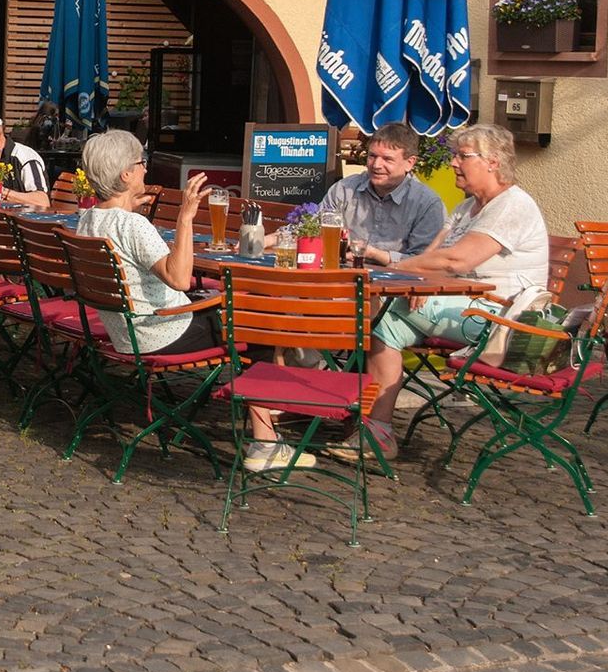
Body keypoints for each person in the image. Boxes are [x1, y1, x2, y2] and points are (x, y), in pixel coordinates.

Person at [75, 130, 312, 472]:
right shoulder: (132, 226)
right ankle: (267, 440)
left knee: (231, 306)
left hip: (127, 333)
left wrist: (129, 208)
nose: (146, 169)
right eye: (141, 163)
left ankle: (273, 408)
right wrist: (185, 216)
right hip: (162, 332)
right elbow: (179, 278)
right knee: (257, 320)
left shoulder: (88, 220)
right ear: (126, 174)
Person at [358, 124, 550, 455]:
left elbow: (456, 261)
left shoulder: (512, 205)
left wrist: (398, 273)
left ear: (492, 161)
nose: (453, 164)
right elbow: (431, 258)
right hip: (466, 306)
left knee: (378, 312)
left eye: (463, 156)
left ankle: (358, 418)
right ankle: (376, 431)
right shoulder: (465, 209)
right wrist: (420, 279)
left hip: (502, 318)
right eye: (454, 155)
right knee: (382, 323)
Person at [317, 121, 446, 259]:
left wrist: (373, 254)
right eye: (372, 156)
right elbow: (314, 231)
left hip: (400, 278)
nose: (376, 165)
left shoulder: (427, 204)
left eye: (387, 159)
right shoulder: (344, 190)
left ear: (410, 163)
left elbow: (424, 261)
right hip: (344, 273)